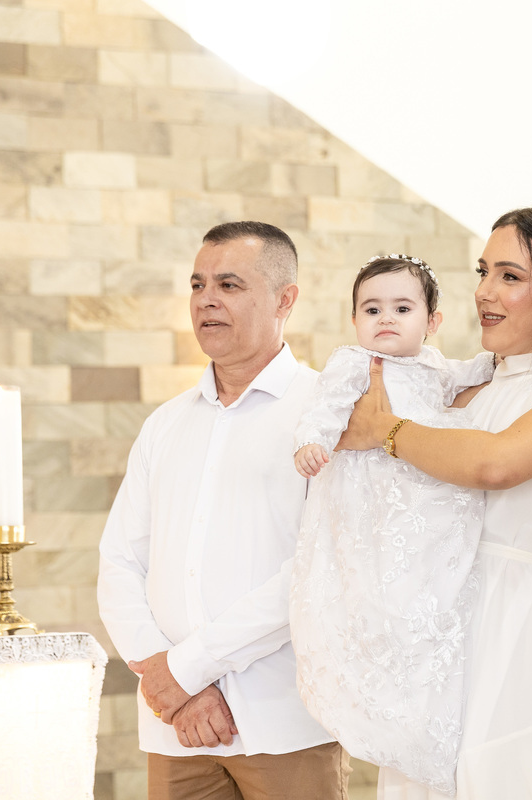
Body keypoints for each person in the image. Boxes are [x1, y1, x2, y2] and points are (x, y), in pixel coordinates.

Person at [338, 206, 532, 800]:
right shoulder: (463, 390)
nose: (484, 292)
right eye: (483, 272)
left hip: (519, 625)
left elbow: (495, 464)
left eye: (510, 276)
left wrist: (386, 430)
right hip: (436, 627)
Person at [97, 221, 349, 799]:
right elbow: (120, 562)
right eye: (198, 284)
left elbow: (317, 572)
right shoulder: (165, 423)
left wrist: (186, 671)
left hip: (283, 720)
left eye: (229, 284)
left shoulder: (328, 414)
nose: (206, 299)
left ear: (285, 299)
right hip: (175, 729)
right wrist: (168, 679)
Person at [289, 254, 493, 795]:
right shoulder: (354, 363)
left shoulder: (435, 366)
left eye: (403, 308)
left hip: (419, 493)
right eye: (372, 308)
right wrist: (310, 442)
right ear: (355, 319)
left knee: (426, 593)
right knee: (374, 590)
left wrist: (498, 363)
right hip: (370, 497)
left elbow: (471, 371)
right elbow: (324, 408)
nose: (386, 318)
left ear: (432, 321)